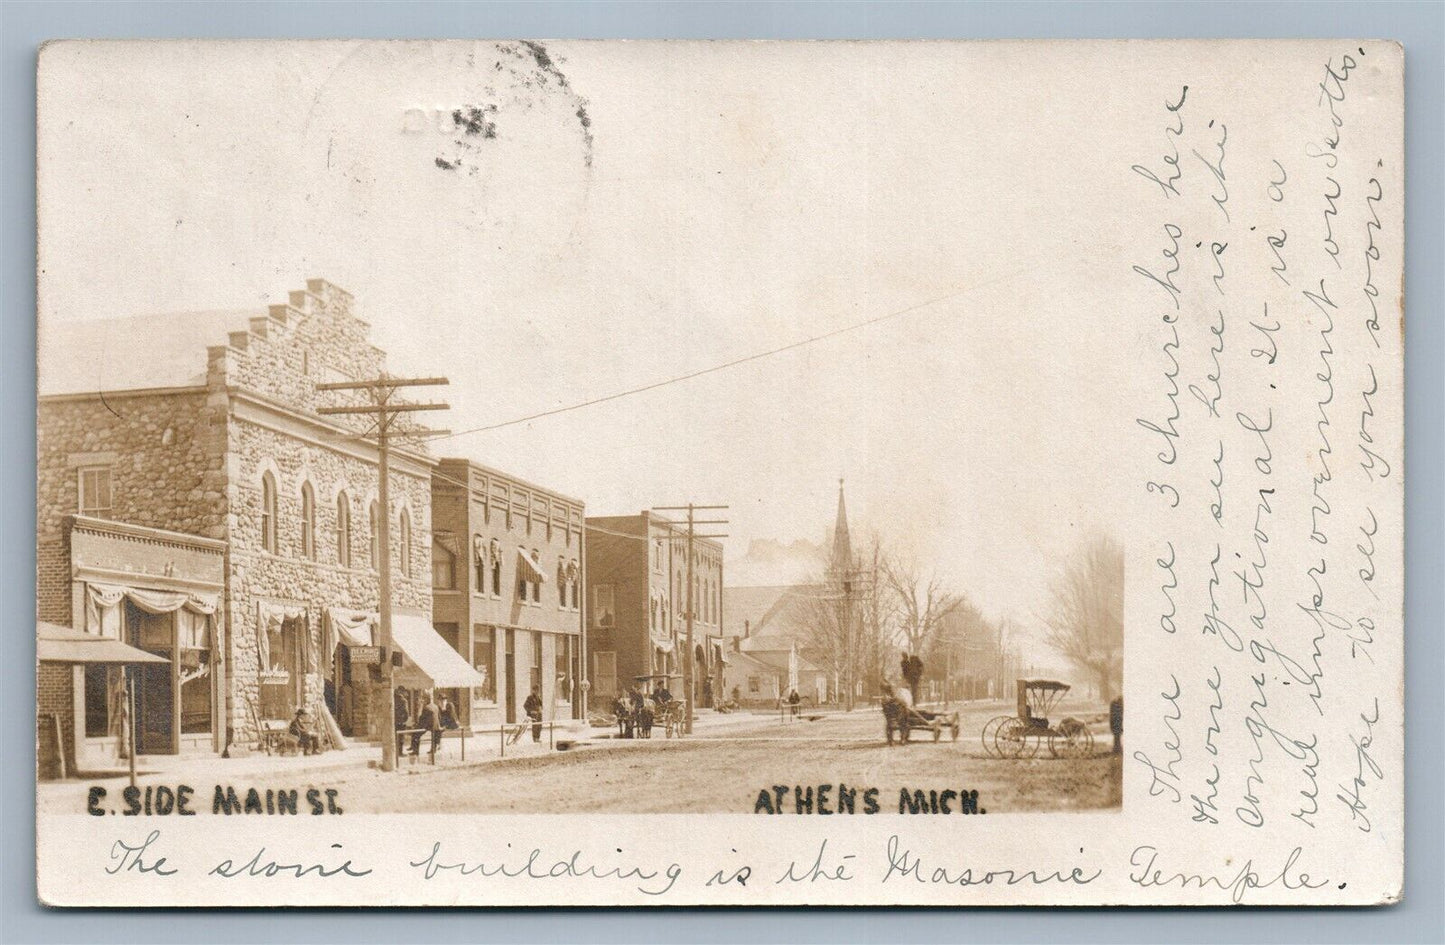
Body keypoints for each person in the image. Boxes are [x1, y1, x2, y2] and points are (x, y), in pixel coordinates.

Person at [411, 693, 442, 758]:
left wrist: (417, 725)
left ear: (426, 699)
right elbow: (439, 717)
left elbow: (422, 719)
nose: (423, 700)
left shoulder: (426, 707)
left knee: (415, 734)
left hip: (428, 725)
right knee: (435, 734)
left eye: (424, 699)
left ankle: (415, 751)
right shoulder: (435, 706)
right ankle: (433, 749)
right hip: (436, 726)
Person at [394, 689, 412, 758]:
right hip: (401, 722)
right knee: (401, 738)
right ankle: (400, 752)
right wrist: (405, 720)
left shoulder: (393, 699)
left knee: (395, 737)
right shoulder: (404, 701)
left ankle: (395, 752)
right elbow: (406, 712)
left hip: (394, 721)